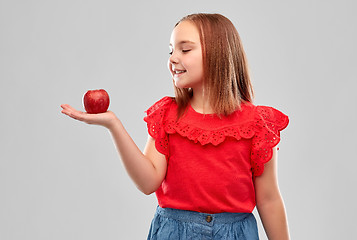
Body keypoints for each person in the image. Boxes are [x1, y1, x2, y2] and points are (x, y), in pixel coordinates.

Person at [61, 13, 290, 240]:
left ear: (218, 53)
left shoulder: (258, 124)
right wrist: (113, 125)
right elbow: (148, 182)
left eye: (185, 50)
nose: (173, 58)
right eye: (171, 50)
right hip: (173, 233)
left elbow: (269, 199)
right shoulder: (167, 116)